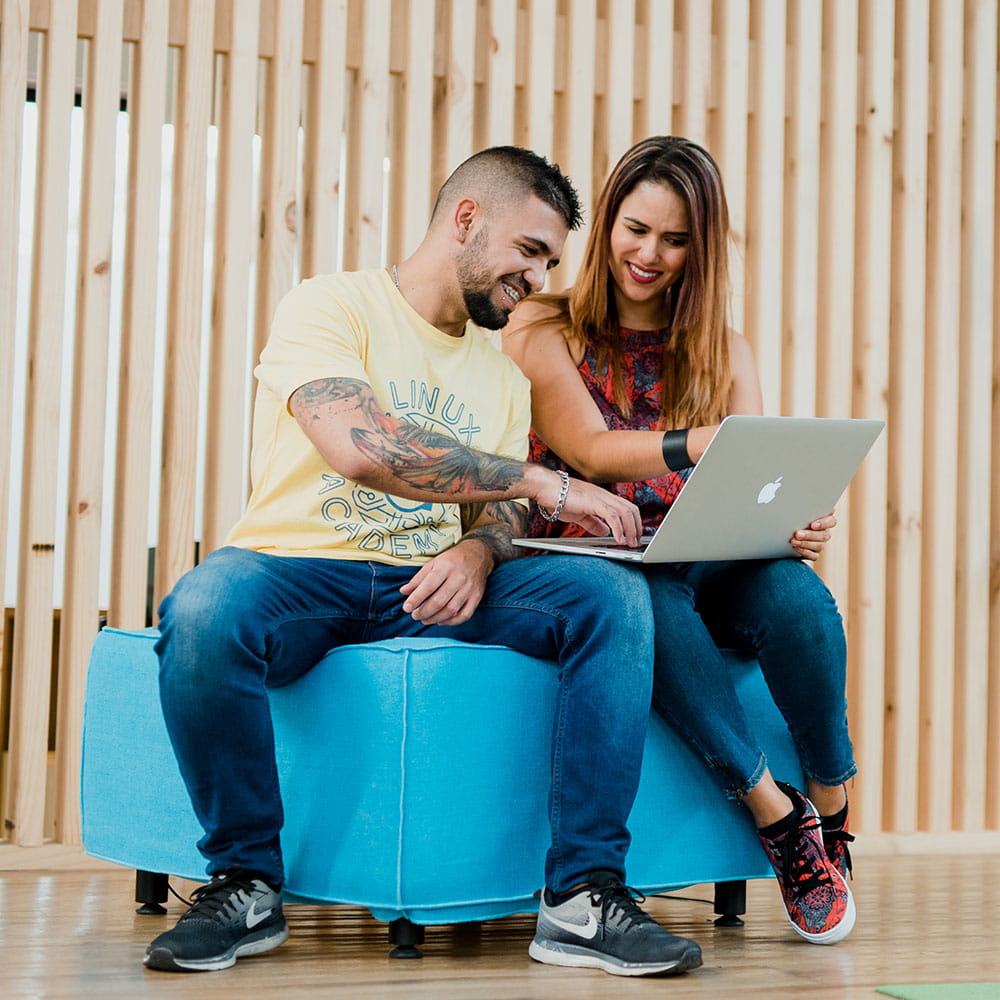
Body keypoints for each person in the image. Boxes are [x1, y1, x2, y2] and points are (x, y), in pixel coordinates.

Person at [144, 145, 704, 978]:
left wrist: (483, 548)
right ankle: (246, 882)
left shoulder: (500, 372)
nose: (540, 279)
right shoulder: (330, 305)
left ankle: (583, 896)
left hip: (438, 584)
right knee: (200, 609)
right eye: (530, 251)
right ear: (466, 219)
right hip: (303, 569)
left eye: (551, 262)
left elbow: (502, 512)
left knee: (610, 596)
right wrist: (547, 484)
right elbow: (362, 448)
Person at [503, 136, 857, 946]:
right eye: (635, 229)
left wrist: (790, 519)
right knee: (650, 591)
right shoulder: (540, 326)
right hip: (595, 567)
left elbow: (755, 469)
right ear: (606, 228)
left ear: (702, 247)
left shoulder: (725, 350)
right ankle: (776, 813)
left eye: (674, 239)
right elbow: (590, 450)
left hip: (705, 559)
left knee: (796, 592)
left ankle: (831, 807)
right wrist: (696, 443)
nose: (649, 254)